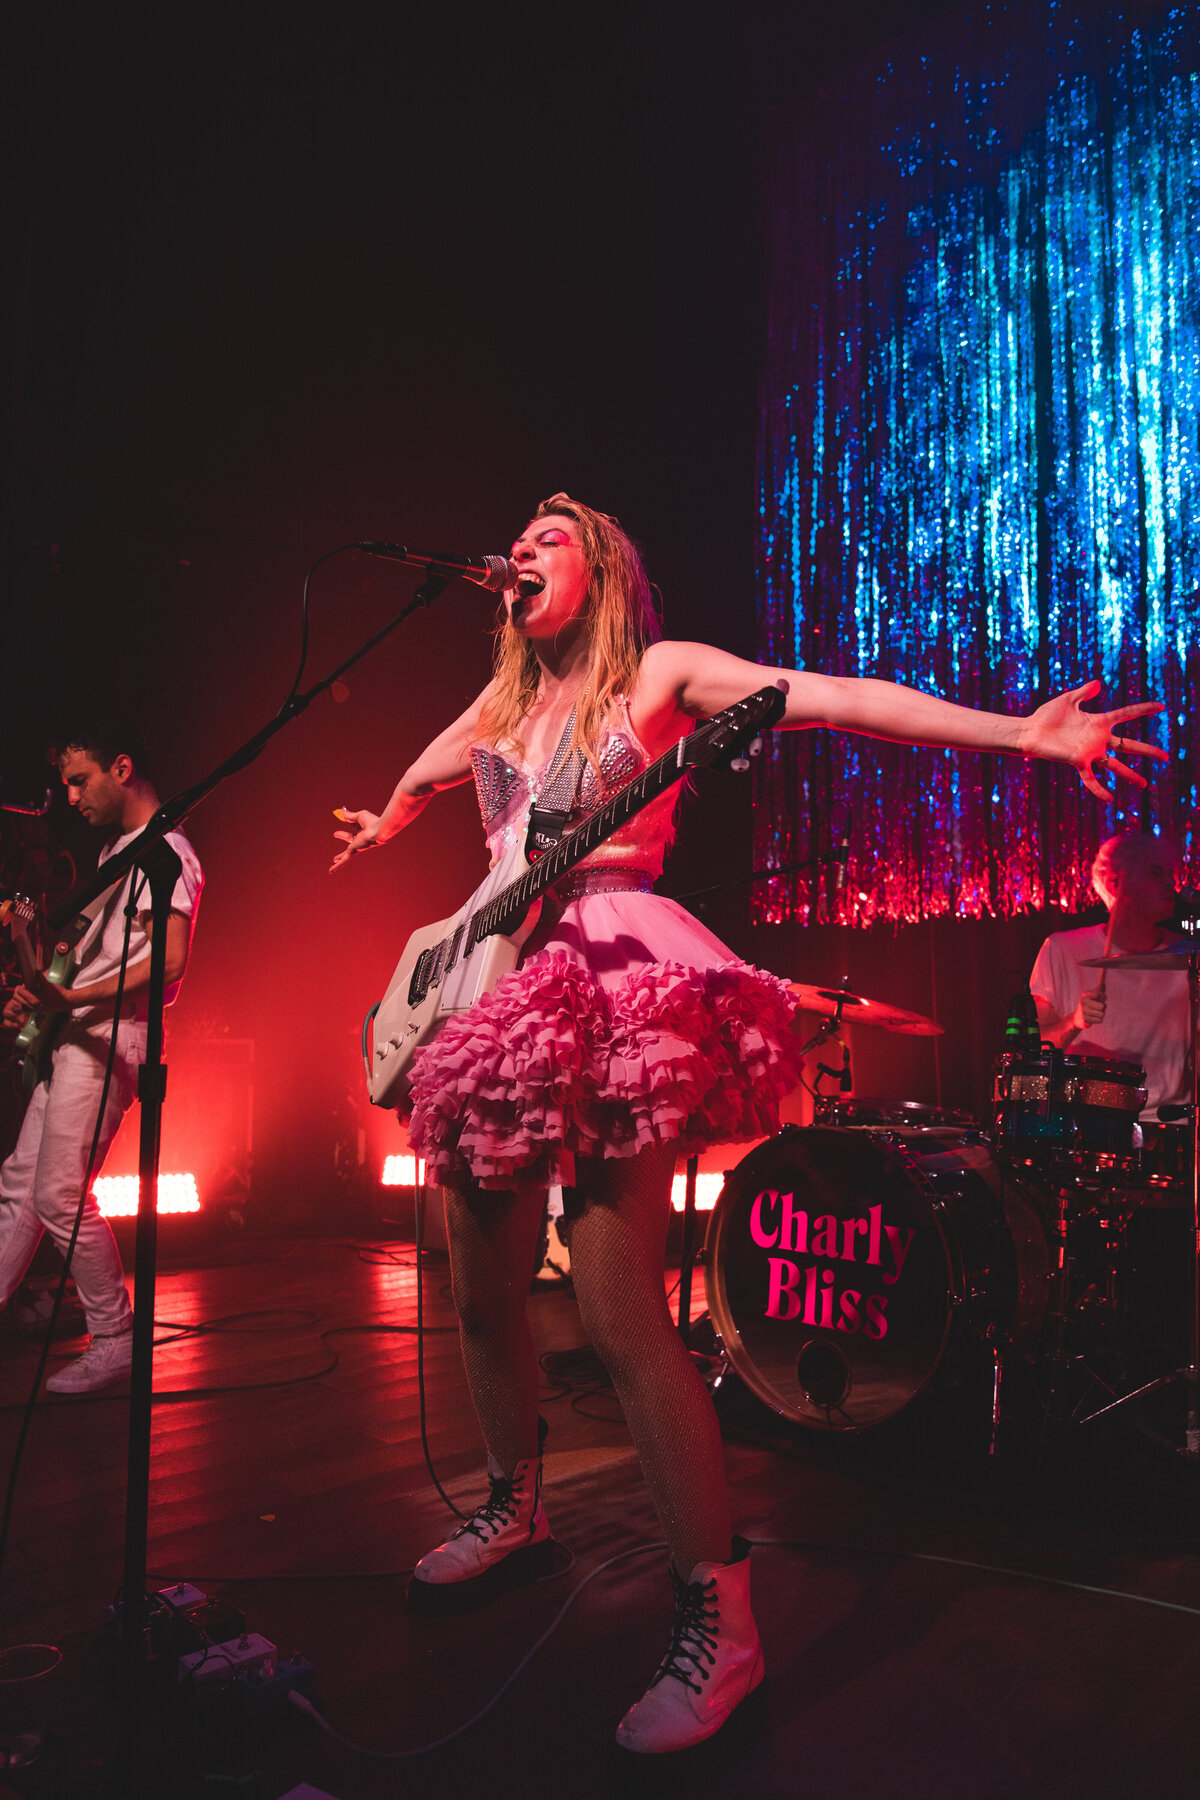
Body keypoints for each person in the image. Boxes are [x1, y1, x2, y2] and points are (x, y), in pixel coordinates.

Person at [332, 494, 1163, 1759]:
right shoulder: (498, 708)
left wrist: (1023, 735)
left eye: (557, 532)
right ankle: (514, 1506)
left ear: (604, 568)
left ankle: (719, 1617)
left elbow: (829, 693)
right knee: (477, 1283)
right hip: (492, 984)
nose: (526, 544)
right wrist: (388, 814)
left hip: (617, 966)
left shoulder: (658, 672)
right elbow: (428, 767)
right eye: (522, 534)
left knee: (615, 1308)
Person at [0, 721, 203, 1394]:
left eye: (79, 780)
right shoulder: (120, 850)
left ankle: (117, 1337)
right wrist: (38, 988)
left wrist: (69, 998)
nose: (70, 796)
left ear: (122, 768)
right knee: (21, 1187)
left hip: (113, 1035)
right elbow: (94, 956)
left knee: (58, 1194)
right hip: (78, 1031)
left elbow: (169, 963)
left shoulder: (166, 851)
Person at [1031, 832, 1187, 1116]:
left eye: (1170, 873)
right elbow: (1035, 1049)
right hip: (1087, 1129)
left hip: (1172, 1128)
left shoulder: (1190, 958)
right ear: (1116, 883)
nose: (1170, 882)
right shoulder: (1062, 950)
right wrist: (1074, 1021)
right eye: (1155, 872)